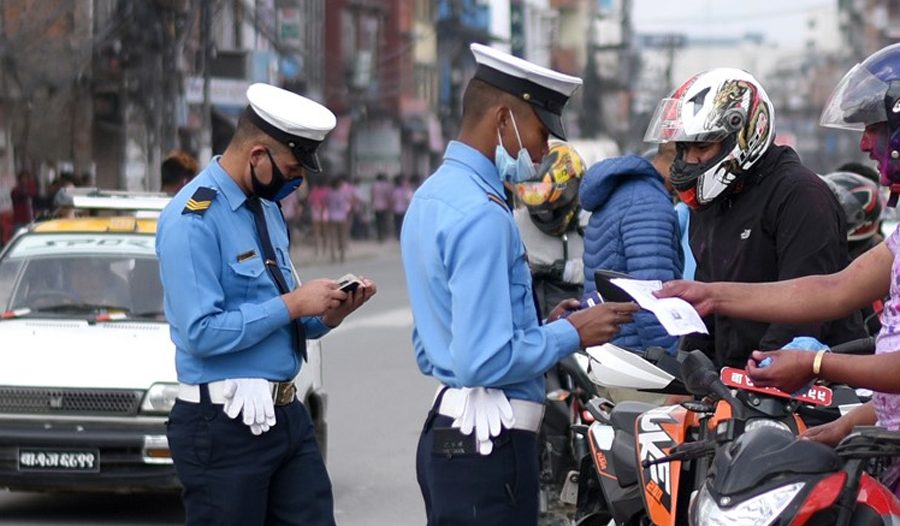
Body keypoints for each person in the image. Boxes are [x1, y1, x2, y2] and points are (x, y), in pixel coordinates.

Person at [400, 43, 638, 525]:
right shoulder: (484, 216)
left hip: (449, 435)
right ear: (504, 120)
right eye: (539, 131)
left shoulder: (431, 198)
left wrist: (535, 326)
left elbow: (433, 345)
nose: (543, 151)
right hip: (490, 447)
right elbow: (481, 359)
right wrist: (574, 333)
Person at [656, 43, 900, 495]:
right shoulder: (711, 205)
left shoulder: (799, 194)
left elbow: (819, 310)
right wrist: (710, 298)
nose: (865, 142)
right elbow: (833, 287)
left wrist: (815, 363)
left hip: (794, 400)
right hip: (870, 437)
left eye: (877, 128)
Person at [155, 83, 376, 525]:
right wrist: (294, 305)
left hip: (285, 414)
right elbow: (200, 332)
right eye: (292, 167)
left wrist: (327, 314)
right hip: (220, 424)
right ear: (258, 155)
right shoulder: (193, 218)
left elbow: (283, 315)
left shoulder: (266, 208)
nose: (297, 182)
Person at [643, 67, 866, 368]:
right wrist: (691, 375)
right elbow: (708, 307)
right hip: (734, 387)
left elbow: (806, 308)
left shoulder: (800, 195)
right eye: (683, 148)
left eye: (702, 146)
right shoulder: (713, 199)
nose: (689, 160)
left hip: (808, 386)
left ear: (743, 135)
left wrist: (757, 377)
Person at [580, 153, 683, 353]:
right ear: (680, 157)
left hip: (608, 348)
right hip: (636, 358)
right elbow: (651, 298)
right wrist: (670, 361)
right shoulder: (648, 204)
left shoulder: (620, 193)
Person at [512, 141, 588, 317]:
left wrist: (565, 270)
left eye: (553, 206)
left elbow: (610, 270)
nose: (545, 215)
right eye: (538, 208)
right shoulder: (516, 224)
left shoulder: (595, 218)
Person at [371, 173, 393, 242]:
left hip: (376, 205)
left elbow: (372, 196)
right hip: (385, 206)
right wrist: (390, 205)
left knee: (378, 222)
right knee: (384, 221)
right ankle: (384, 235)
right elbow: (388, 196)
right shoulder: (386, 185)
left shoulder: (374, 185)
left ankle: (379, 235)